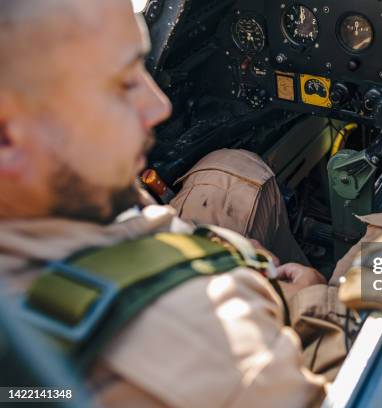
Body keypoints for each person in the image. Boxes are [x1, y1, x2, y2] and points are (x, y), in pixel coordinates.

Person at [0, 0, 328, 406]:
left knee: (232, 170)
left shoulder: (41, 191)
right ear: (7, 137)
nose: (159, 106)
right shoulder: (224, 359)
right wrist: (313, 302)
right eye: (122, 84)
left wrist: (221, 248)